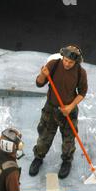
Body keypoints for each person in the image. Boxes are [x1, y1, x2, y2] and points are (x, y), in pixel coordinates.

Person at [29, 45, 88, 179]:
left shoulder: (80, 72)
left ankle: (67, 161)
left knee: (69, 138)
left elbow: (82, 93)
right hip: (50, 108)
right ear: (63, 57)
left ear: (76, 62)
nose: (67, 64)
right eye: (65, 60)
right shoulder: (53, 64)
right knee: (44, 136)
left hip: (68, 110)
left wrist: (70, 107)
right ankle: (38, 158)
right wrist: (42, 75)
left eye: (71, 62)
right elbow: (39, 83)